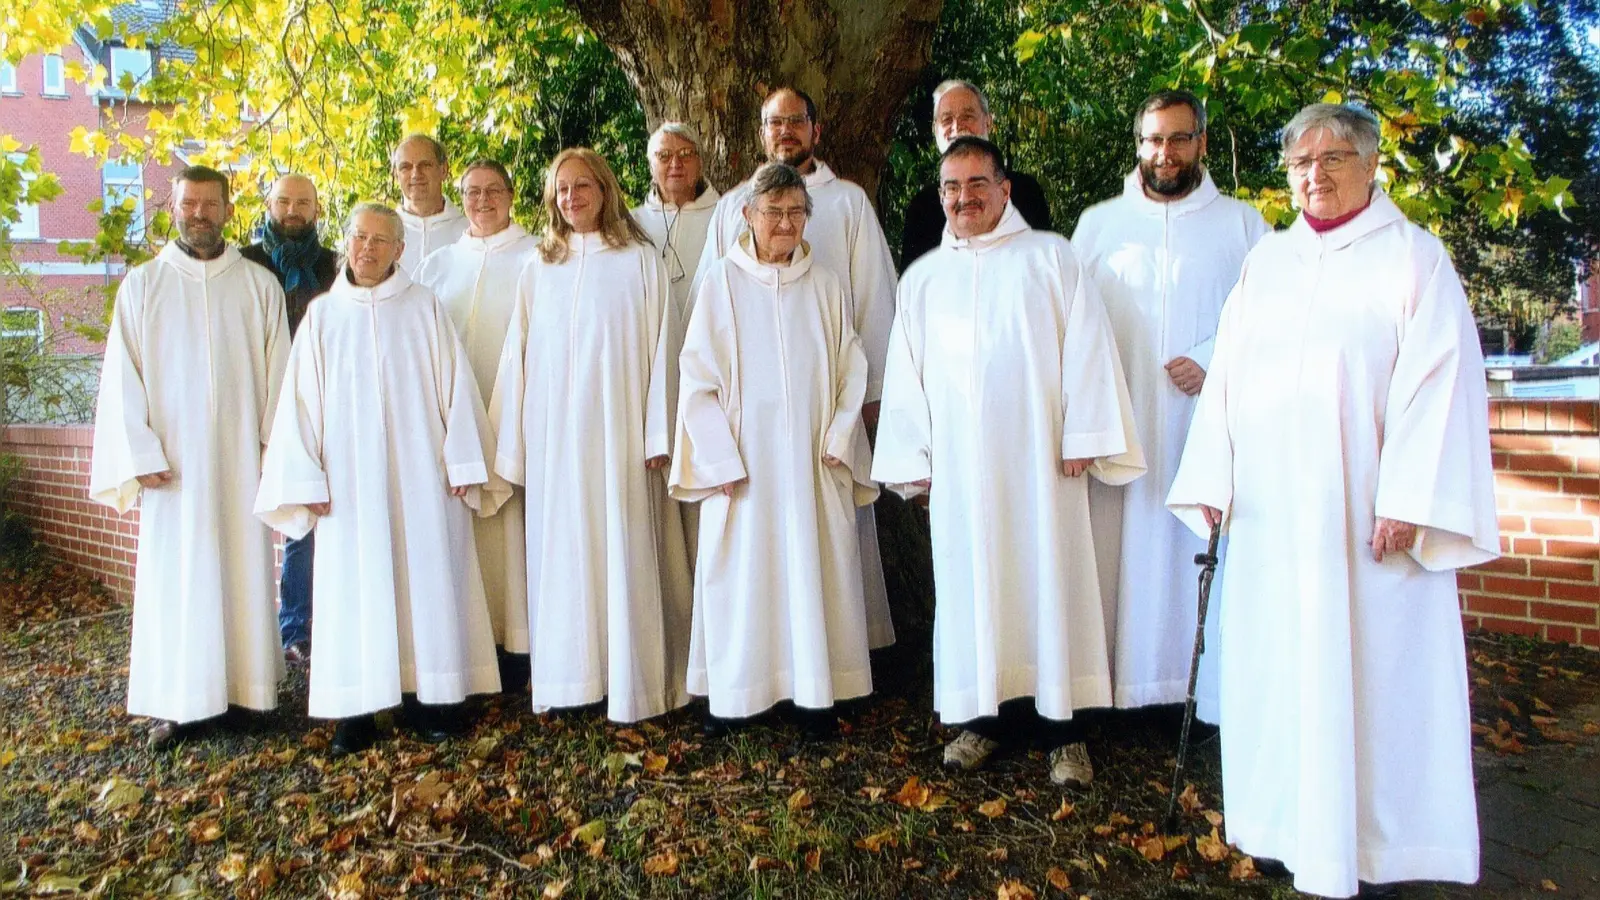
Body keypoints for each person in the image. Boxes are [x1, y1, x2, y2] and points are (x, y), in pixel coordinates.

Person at [1167, 103, 1498, 899]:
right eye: (1300, 163)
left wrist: (1411, 496)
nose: (1314, 175)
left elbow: (1442, 385)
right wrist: (1212, 477)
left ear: (1372, 165)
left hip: (1367, 528)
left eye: (1333, 159)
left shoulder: (1414, 261)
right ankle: (1285, 828)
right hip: (1275, 526)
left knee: (1373, 683)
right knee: (1278, 675)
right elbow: (1230, 382)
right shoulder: (1269, 265)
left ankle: (1377, 846)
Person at [873, 137, 1144, 787]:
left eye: (976, 184)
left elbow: (1088, 346)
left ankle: (1065, 732)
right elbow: (906, 378)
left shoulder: (1051, 260)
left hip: (1041, 467)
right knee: (975, 589)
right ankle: (983, 720)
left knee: (1050, 584)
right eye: (951, 188)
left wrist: (1086, 433)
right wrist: (917, 462)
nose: (964, 198)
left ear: (1004, 189)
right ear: (941, 197)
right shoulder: (925, 279)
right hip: (964, 473)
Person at [256, 202, 505, 757]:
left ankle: (429, 700)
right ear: (346, 243)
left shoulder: (424, 310)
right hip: (348, 488)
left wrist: (464, 462)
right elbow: (298, 408)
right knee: (354, 591)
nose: (367, 248)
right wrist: (305, 478)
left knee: (427, 585)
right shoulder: (322, 316)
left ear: (399, 249)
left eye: (380, 240)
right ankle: (356, 710)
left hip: (422, 479)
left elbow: (455, 389)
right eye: (359, 237)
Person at [1072, 90, 1268, 722]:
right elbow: (1070, 322)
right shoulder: (1099, 224)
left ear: (1202, 143)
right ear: (1138, 145)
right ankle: (1116, 692)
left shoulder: (1243, 226)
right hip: (1120, 424)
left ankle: (1198, 695)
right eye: (1154, 140)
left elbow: (1272, 315)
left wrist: (1213, 356)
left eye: (1180, 138)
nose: (1166, 152)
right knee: (1114, 554)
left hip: (1201, 425)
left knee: (1194, 554)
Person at [670, 162, 876, 738]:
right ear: (748, 216)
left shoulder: (827, 285)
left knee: (817, 567)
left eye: (794, 212)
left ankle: (816, 692)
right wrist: (719, 460)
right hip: (745, 465)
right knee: (742, 572)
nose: (784, 223)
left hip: (814, 462)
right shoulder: (720, 283)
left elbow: (850, 369)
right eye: (772, 212)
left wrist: (839, 435)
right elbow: (696, 379)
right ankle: (737, 695)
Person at [89, 165, 289, 749]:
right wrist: (140, 449)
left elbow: (280, 377)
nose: (198, 214)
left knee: (243, 571)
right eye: (188, 204)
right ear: (172, 209)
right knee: (179, 578)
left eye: (209, 204)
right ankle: (180, 703)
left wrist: (272, 447)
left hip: (239, 463)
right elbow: (122, 379)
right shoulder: (143, 286)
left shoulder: (259, 286)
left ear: (229, 210)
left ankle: (248, 693)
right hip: (172, 467)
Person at [490, 147, 692, 723]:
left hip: (622, 438)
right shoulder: (539, 268)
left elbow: (665, 349)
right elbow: (517, 358)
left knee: (623, 549)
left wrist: (659, 432)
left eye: (583, 186)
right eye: (561, 189)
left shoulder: (639, 261)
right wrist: (515, 447)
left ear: (606, 190)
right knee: (564, 555)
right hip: (556, 442)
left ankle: (634, 683)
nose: (572, 197)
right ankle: (572, 680)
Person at [696, 86, 897, 651]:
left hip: (820, 420)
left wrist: (864, 405)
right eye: (773, 122)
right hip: (747, 437)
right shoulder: (730, 212)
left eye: (795, 121)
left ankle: (828, 662)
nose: (784, 131)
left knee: (824, 549)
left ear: (815, 129)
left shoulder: (848, 203)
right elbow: (708, 343)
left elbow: (872, 303)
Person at [414, 160, 537, 692]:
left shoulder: (537, 256)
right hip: (450, 423)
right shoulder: (436, 265)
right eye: (471, 192)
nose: (482, 200)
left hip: (516, 413)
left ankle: (519, 645)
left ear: (512, 196)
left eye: (493, 191)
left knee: (513, 532)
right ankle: (467, 643)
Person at [240, 173, 340, 666]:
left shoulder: (333, 266)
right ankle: (258, 632)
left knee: (310, 517)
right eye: (284, 201)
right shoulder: (244, 264)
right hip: (258, 399)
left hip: (318, 400)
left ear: (317, 209)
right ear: (269, 205)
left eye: (304, 202)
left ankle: (300, 627)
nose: (293, 210)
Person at [899, 80, 1053, 268]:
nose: (957, 126)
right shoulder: (923, 208)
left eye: (968, 116)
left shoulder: (1024, 192)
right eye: (947, 119)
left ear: (988, 122)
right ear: (935, 130)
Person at [633, 122, 721, 313]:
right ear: (651, 166)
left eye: (686, 154)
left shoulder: (722, 217)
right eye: (664, 156)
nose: (675, 164)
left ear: (700, 163)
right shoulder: (633, 224)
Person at [392, 134, 468, 273]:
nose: (415, 174)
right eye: (406, 167)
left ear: (443, 170)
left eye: (425, 165)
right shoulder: (382, 233)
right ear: (396, 175)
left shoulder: (469, 233)